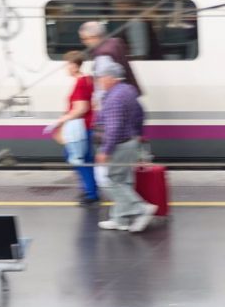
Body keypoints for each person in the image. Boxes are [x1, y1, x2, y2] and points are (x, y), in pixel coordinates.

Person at [93, 60, 156, 233]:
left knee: (113, 181)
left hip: (119, 146)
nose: (98, 81)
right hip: (130, 142)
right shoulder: (128, 91)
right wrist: (137, 135)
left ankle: (142, 209)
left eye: (100, 78)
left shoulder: (114, 98)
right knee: (124, 181)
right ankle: (120, 219)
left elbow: (113, 128)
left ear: (110, 78)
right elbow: (141, 114)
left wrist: (106, 151)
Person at [43, 51, 99, 206]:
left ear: (74, 66)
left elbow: (81, 108)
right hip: (85, 127)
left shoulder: (80, 83)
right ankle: (90, 190)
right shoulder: (87, 79)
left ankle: (91, 194)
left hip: (79, 128)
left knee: (76, 158)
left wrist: (60, 121)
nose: (65, 68)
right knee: (83, 159)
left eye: (67, 64)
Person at [79, 20, 142, 95]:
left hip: (114, 100)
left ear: (94, 37)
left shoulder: (103, 55)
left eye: (85, 38)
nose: (84, 42)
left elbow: (104, 88)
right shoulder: (114, 44)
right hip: (128, 94)